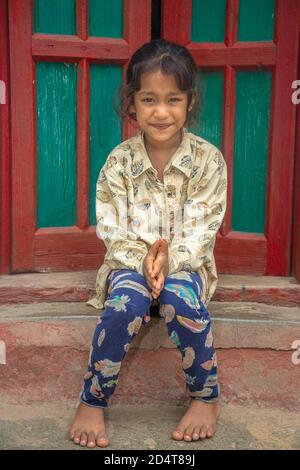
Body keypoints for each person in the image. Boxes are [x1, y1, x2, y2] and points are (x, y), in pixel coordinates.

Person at [69, 38, 227, 448]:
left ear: (189, 101)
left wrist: (168, 262)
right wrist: (142, 263)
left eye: (173, 99)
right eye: (149, 99)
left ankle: (205, 396)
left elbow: (203, 227)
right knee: (124, 305)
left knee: (181, 299)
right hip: (130, 265)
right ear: (132, 103)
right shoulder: (119, 163)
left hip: (184, 266)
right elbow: (111, 227)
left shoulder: (209, 161)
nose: (161, 112)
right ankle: (93, 400)